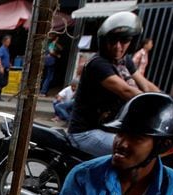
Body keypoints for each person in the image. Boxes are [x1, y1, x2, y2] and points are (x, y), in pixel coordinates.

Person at [67, 12, 160, 157]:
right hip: (86, 132)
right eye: (112, 41)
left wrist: (172, 103)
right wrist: (158, 106)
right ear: (104, 42)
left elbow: (146, 85)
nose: (118, 47)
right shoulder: (98, 64)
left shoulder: (126, 60)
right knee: (138, 153)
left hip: (110, 129)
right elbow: (126, 91)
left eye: (124, 41)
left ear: (132, 42)